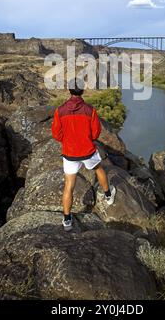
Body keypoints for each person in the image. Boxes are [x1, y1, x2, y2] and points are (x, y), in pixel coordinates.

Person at [51, 80, 116, 231]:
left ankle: (67, 220)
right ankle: (108, 196)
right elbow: (96, 132)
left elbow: (56, 134)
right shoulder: (90, 110)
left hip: (69, 153)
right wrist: (86, 139)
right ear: (83, 90)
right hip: (87, 150)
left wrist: (67, 140)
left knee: (69, 186)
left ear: (69, 90)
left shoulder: (59, 110)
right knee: (99, 169)